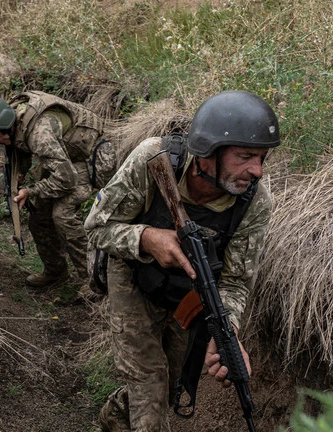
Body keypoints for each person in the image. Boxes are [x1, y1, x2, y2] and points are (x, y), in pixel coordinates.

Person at [84, 90, 280, 431]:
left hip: (186, 293)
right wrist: (148, 238)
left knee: (174, 383)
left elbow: (235, 282)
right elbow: (97, 228)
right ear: (207, 153)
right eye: (246, 156)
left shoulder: (255, 202)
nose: (258, 170)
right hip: (132, 274)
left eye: (262, 158)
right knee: (150, 380)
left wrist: (227, 332)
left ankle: (115, 415)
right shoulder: (155, 159)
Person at [0, 91, 104, 289]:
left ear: (4, 123)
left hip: (90, 156)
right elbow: (21, 145)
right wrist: (21, 170)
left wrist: (31, 191)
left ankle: (92, 279)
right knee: (39, 215)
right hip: (65, 159)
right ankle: (55, 272)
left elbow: (67, 179)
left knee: (62, 215)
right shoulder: (13, 121)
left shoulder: (40, 133)